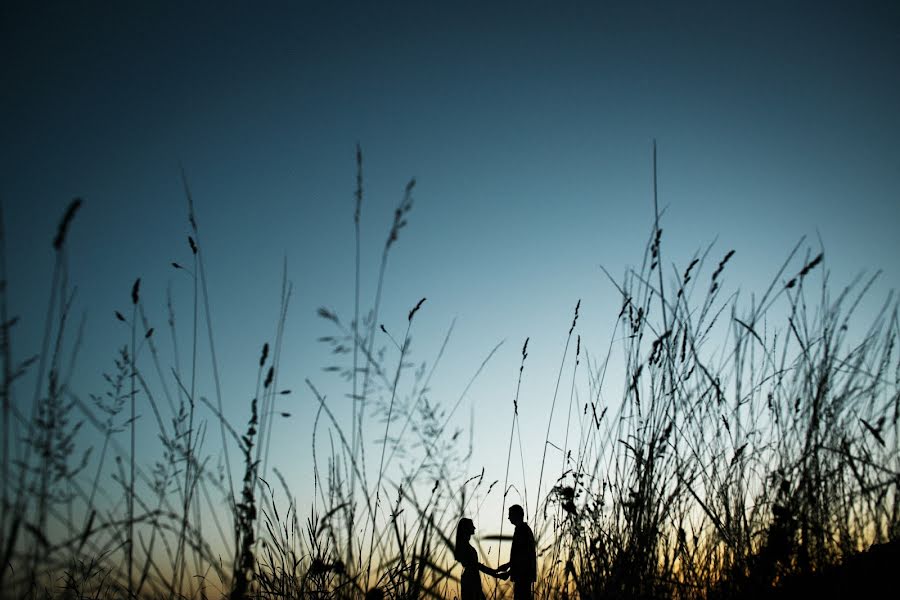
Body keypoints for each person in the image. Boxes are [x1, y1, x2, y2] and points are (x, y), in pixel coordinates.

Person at [454, 517, 502, 600]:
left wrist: (495, 572)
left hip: (472, 578)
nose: (474, 528)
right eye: (472, 526)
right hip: (470, 580)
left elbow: (476, 565)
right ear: (466, 528)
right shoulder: (464, 546)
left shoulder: (465, 545)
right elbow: (475, 565)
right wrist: (494, 572)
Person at [496, 504, 536, 600]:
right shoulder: (523, 529)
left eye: (510, 515)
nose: (509, 517)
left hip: (523, 576)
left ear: (517, 515)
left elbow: (523, 557)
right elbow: (519, 555)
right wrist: (508, 565)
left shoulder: (521, 530)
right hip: (523, 575)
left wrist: (509, 572)